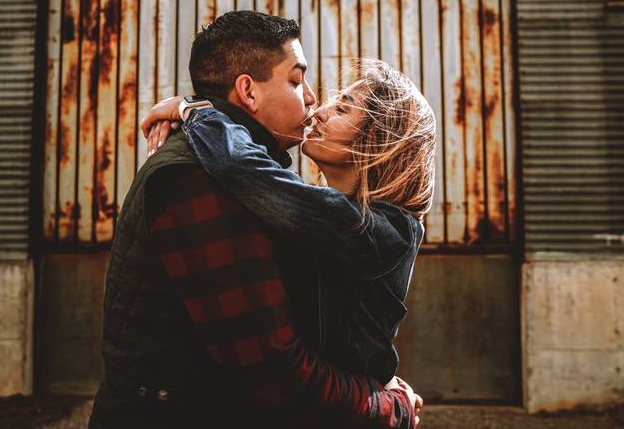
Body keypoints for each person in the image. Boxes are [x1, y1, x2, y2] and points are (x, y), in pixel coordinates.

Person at [89, 11, 421, 429]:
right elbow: (277, 376)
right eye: (297, 81)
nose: (315, 101)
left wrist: (194, 109)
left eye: (344, 107)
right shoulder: (206, 179)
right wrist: (388, 406)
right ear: (247, 90)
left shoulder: (361, 222)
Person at [143, 59, 436, 388]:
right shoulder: (328, 212)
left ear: (378, 141)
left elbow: (241, 168)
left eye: (343, 110)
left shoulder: (386, 231)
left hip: (341, 408)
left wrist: (193, 110)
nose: (320, 111)